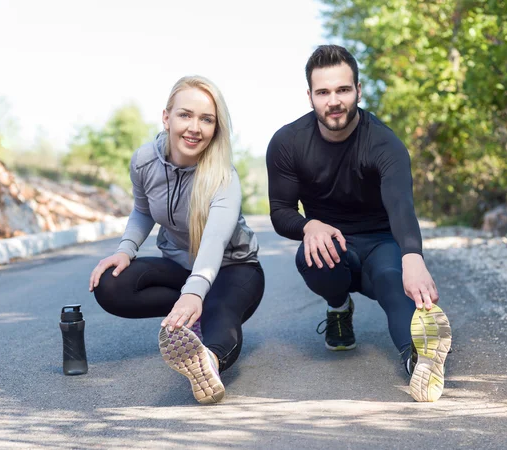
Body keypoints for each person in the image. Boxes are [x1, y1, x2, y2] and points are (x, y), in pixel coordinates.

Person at [266, 45, 452, 402]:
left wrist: (412, 258)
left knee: (392, 280)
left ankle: (419, 361)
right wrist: (309, 226)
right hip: (332, 244)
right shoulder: (288, 143)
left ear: (358, 91)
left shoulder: (383, 142)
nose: (333, 101)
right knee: (313, 257)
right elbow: (280, 211)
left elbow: (401, 205)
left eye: (342, 90)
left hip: (382, 243)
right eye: (323, 92)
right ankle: (339, 308)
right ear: (310, 96)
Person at [89, 75, 265, 404]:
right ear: (166, 117)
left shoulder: (223, 176)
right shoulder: (144, 161)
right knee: (110, 285)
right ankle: (194, 317)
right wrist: (125, 251)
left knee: (219, 309)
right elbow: (143, 210)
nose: (194, 127)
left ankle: (208, 362)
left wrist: (194, 294)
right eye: (185, 115)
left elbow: (214, 242)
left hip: (234, 269)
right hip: (180, 265)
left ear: (216, 128)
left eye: (206, 119)